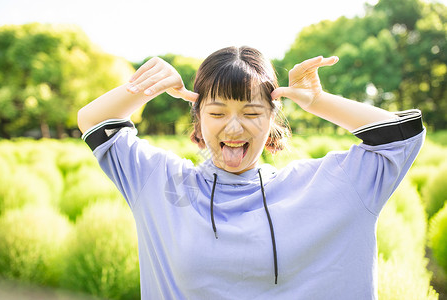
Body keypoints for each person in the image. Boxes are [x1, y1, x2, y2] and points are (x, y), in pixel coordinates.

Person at [77, 46, 424, 299]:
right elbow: (93, 122)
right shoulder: (161, 183)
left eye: (252, 112)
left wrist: (318, 102)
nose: (233, 127)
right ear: (197, 117)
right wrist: (142, 88)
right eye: (216, 113)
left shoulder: (325, 186)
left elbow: (399, 137)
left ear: (273, 118)